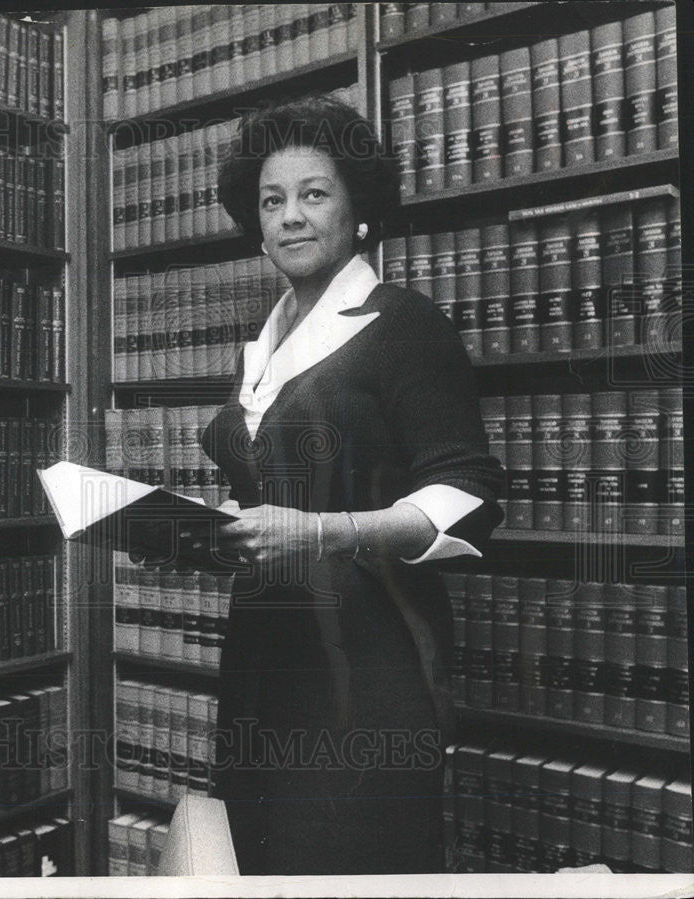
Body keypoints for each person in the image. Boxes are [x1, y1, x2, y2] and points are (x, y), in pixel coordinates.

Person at [135, 95, 505, 875]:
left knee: (345, 867)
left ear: (358, 208)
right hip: (263, 666)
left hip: (365, 677)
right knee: (258, 871)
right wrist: (197, 534)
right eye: (273, 200)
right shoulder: (263, 345)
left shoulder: (404, 324)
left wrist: (323, 530)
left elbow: (471, 498)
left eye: (314, 193)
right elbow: (270, 493)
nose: (290, 217)